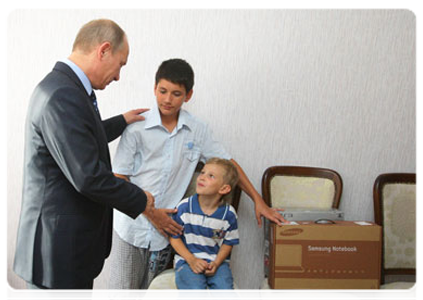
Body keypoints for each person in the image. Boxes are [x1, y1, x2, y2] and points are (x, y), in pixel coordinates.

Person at [108, 58, 287, 300]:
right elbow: (119, 178)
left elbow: (229, 165)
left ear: (188, 95)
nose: (167, 99)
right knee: (121, 295)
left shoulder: (197, 130)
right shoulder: (136, 128)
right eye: (162, 91)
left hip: (165, 233)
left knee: (150, 295)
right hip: (131, 226)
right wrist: (151, 213)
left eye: (176, 93)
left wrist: (259, 200)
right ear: (154, 88)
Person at [13, 19, 160, 300]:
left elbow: (78, 139)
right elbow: (88, 176)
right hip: (55, 254)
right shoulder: (63, 95)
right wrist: (140, 199)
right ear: (103, 50)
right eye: (121, 64)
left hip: (64, 252)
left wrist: (121, 121)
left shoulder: (67, 88)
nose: (118, 76)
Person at [170, 158, 241, 300]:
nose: (202, 177)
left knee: (225, 294)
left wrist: (217, 262)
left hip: (217, 263)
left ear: (224, 189)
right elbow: (174, 238)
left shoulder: (229, 215)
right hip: (187, 261)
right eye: (202, 172)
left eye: (211, 176)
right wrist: (192, 260)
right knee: (194, 291)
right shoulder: (184, 208)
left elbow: (228, 243)